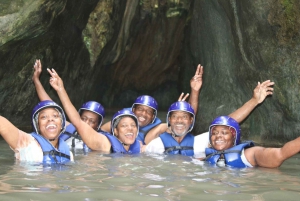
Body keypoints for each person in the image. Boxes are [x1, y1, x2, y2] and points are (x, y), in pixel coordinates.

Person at [144, 80, 275, 156]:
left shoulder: (198, 143)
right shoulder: (156, 145)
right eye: (175, 117)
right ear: (169, 120)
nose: (179, 121)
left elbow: (227, 123)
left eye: (184, 117)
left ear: (191, 121)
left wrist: (254, 101)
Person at [101, 64, 204, 145]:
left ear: (153, 117)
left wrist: (194, 91)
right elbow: (99, 133)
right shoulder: (119, 122)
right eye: (140, 109)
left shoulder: (157, 129)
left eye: (148, 112)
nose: (143, 114)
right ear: (133, 110)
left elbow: (184, 123)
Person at [47, 68, 143, 154]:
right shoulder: (104, 143)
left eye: (133, 125)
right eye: (124, 125)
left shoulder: (139, 147)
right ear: (115, 131)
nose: (130, 128)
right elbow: (77, 121)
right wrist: (60, 90)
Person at [32, 59, 107, 151]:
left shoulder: (101, 140)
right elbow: (50, 106)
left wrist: (61, 90)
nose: (86, 123)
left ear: (98, 125)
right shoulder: (70, 127)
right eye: (83, 118)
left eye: (92, 121)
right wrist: (36, 80)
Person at [204, 115, 300, 168]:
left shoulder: (248, 154)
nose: (218, 136)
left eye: (224, 133)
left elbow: (280, 154)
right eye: (214, 133)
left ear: (234, 137)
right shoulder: (208, 156)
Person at [0, 100, 73, 164]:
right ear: (37, 125)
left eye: (55, 116)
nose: (50, 119)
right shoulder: (27, 141)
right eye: (44, 117)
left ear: (61, 124)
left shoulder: (69, 154)